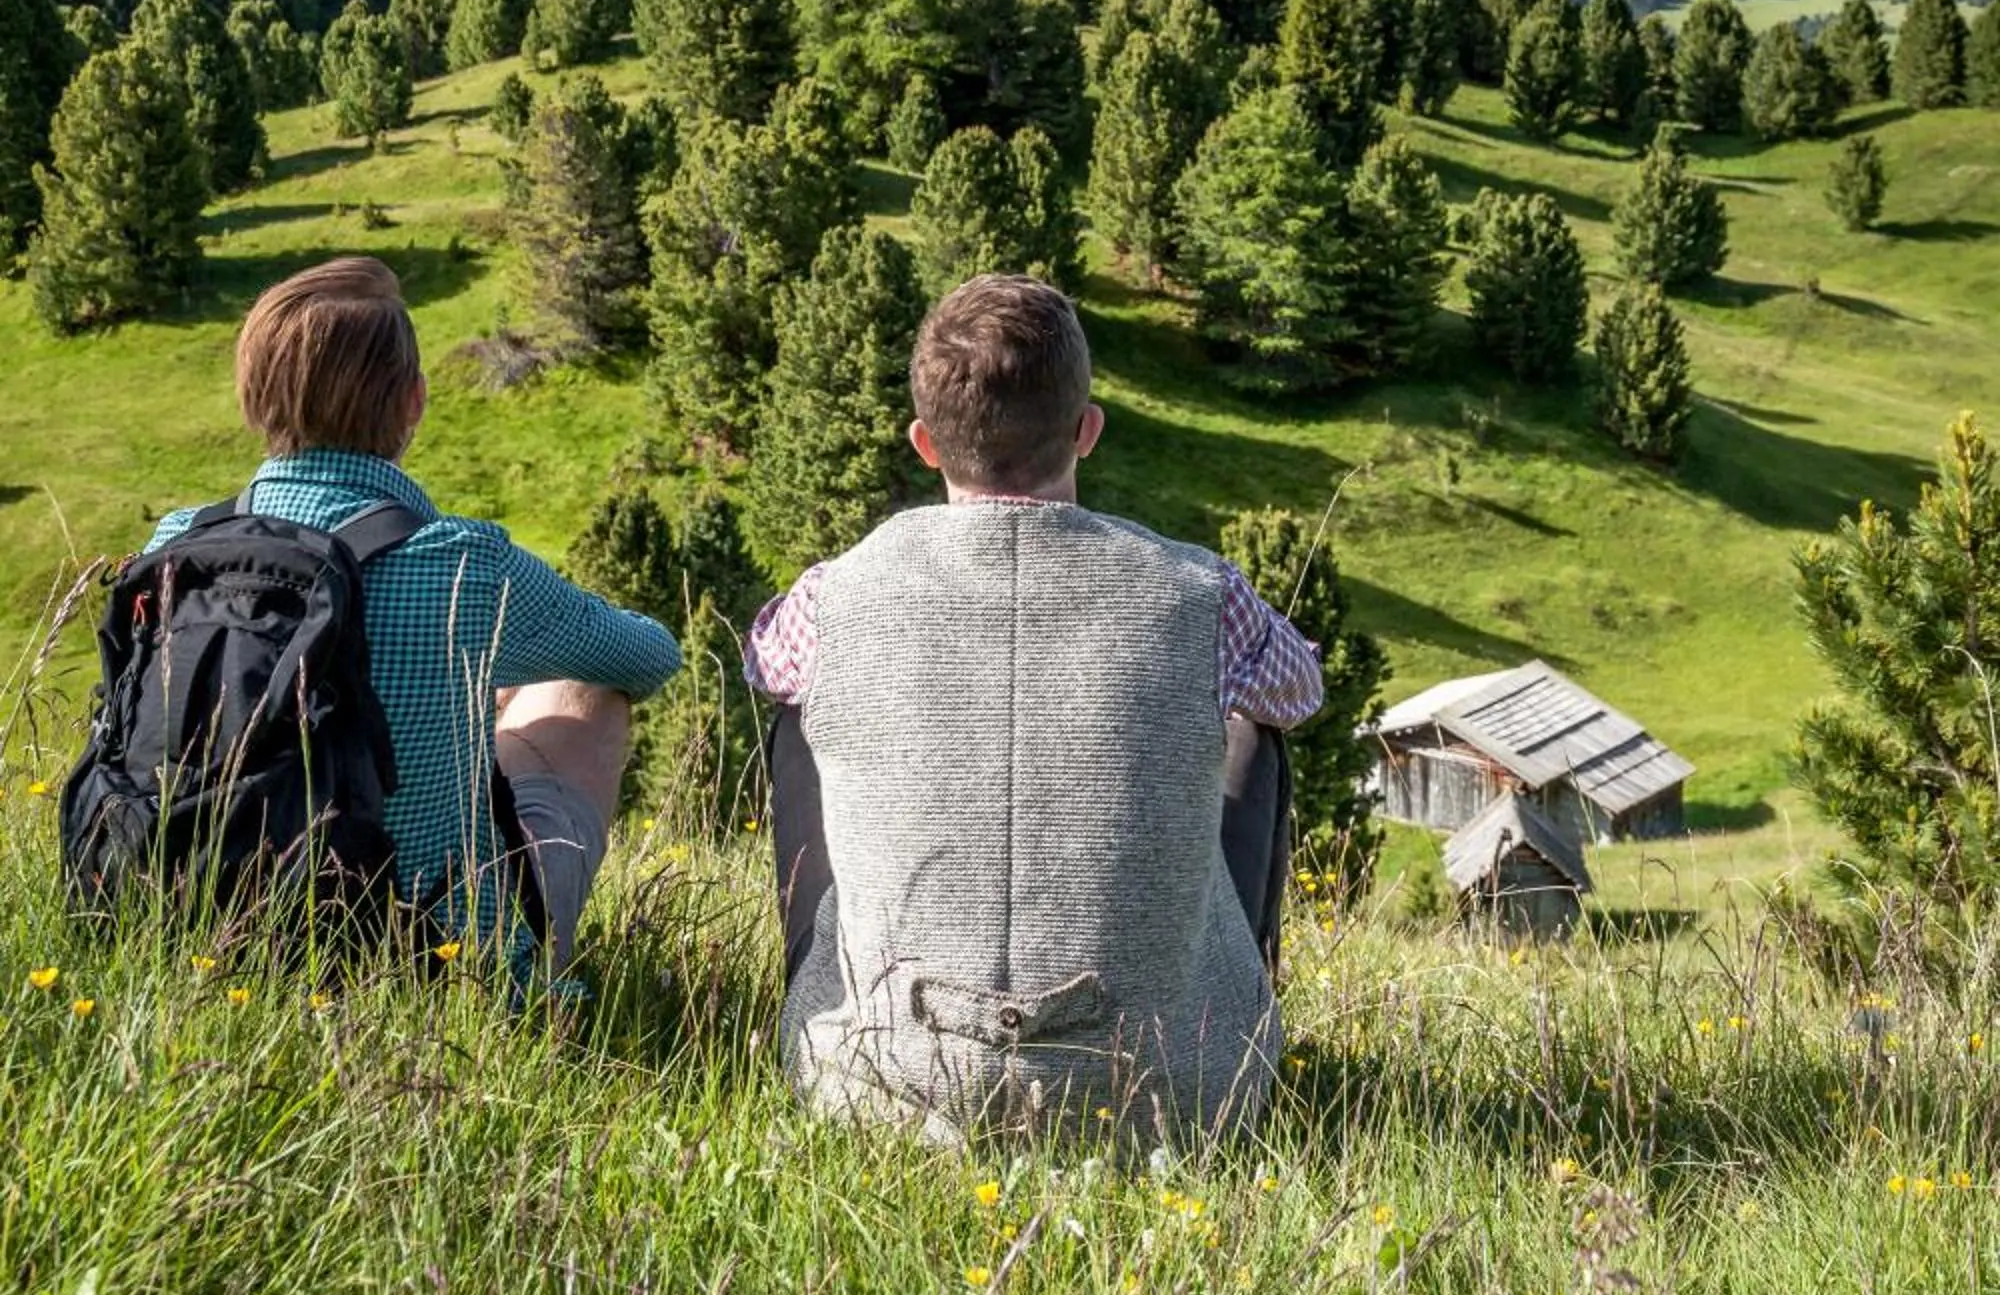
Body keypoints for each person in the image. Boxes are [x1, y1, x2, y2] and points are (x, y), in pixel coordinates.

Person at [746, 274, 1322, 1142]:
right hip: (1175, 1098)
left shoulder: (838, 593)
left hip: (875, 1092)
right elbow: (1301, 691)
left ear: (925, 444)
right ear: (1086, 430)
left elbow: (763, 663)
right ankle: (1218, 1021)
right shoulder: (1200, 591)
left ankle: (832, 997)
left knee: (800, 714)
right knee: (1254, 732)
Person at [148, 257, 678, 972]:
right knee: (587, 690)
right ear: (414, 403)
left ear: (252, 399)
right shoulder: (462, 565)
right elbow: (649, 657)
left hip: (198, 955)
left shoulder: (173, 549)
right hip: (441, 969)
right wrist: (490, 682)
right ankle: (533, 965)